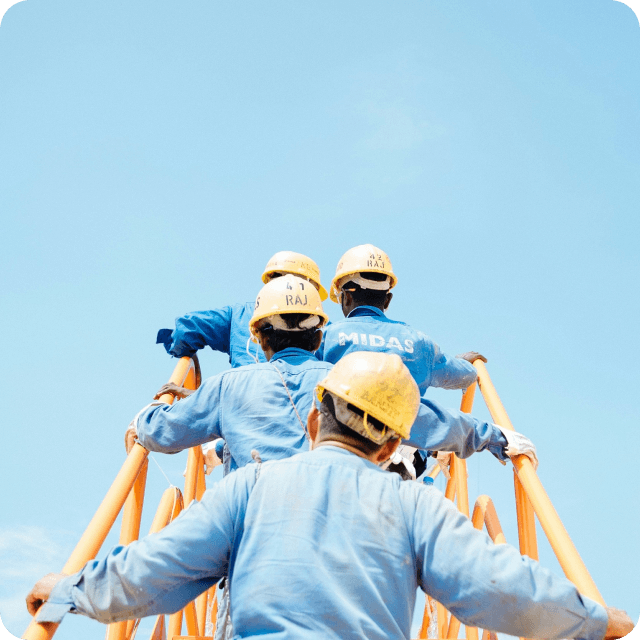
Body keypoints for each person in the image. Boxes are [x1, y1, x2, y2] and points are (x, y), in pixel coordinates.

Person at [28, 352, 634, 640]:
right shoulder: (416, 505)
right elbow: (498, 586)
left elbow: (150, 573)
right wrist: (596, 620)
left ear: (315, 419)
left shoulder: (247, 488)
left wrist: (64, 592)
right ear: (391, 446)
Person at [317, 243, 488, 478]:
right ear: (387, 300)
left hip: (339, 453)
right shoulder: (419, 342)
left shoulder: (326, 337)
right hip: (403, 453)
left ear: (344, 296)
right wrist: (466, 363)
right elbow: (463, 376)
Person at [156, 250, 329, 367]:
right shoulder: (324, 328)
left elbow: (186, 329)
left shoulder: (238, 316)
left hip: (240, 402)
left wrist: (185, 355)